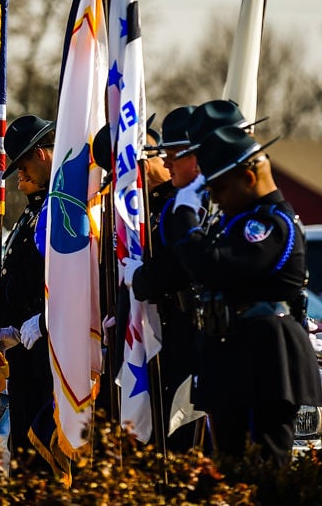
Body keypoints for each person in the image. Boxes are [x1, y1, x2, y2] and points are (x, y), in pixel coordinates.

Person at [174, 125, 322, 466]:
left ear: (249, 178)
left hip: (266, 358)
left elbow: (210, 266)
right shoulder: (241, 221)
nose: (215, 198)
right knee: (230, 465)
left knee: (262, 466)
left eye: (218, 188)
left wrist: (185, 214)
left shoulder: (268, 225)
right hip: (237, 352)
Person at [121, 108, 206, 451]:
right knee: (165, 435)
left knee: (187, 434)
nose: (166, 163)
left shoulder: (189, 203)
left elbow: (176, 268)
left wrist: (141, 277)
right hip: (167, 328)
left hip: (193, 327)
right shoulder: (160, 205)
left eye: (169, 155)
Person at [0, 114, 56, 469]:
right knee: (23, 459)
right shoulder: (33, 213)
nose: (19, 176)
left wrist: (44, 321)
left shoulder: (63, 209)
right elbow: (21, 278)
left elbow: (70, 283)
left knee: (41, 458)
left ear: (41, 155)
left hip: (48, 353)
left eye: (23, 165)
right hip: (23, 354)